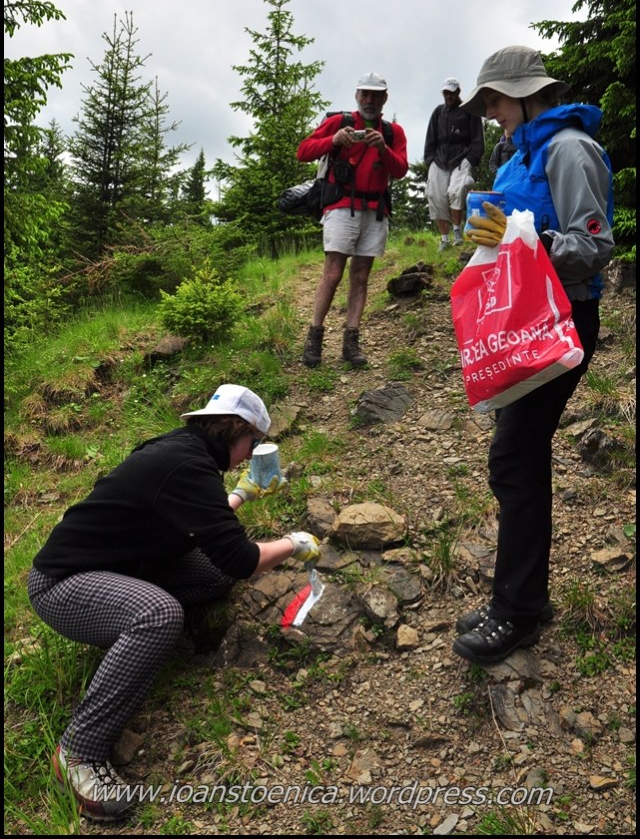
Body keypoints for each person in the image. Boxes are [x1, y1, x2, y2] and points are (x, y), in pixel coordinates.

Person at [27, 384, 321, 821]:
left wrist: (243, 494)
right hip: (63, 585)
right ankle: (78, 754)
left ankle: (134, 643)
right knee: (159, 613)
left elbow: (201, 525)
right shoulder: (183, 463)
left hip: (125, 567)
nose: (250, 453)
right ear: (234, 430)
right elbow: (242, 559)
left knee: (211, 573)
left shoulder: (186, 454)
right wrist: (293, 544)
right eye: (253, 443)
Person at [452, 46, 614, 666]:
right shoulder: (522, 150)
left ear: (524, 94)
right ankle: (525, 595)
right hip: (525, 315)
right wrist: (491, 227)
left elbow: (593, 244)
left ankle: (517, 611)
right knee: (517, 453)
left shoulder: (569, 148)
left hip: (562, 318)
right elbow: (521, 225)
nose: (489, 113)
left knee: (515, 456)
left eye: (493, 100)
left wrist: (529, 239)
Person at [297, 72, 408, 368]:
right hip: (341, 204)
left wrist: (382, 149)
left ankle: (351, 340)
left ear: (385, 98)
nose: (370, 100)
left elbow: (400, 170)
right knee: (332, 273)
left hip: (375, 209)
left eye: (376, 95)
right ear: (357, 96)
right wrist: (333, 140)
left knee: (360, 276)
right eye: (365, 94)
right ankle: (315, 336)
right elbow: (302, 151)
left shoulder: (392, 132)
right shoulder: (339, 122)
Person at [424, 77, 485, 251]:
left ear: (458, 92)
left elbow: (478, 141)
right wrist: (430, 161)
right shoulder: (438, 112)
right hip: (439, 160)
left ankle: (457, 230)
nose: (448, 96)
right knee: (435, 195)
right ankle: (444, 239)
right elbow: (430, 139)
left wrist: (470, 159)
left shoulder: (469, 111)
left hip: (461, 158)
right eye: (446, 93)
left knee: (456, 190)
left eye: (451, 93)